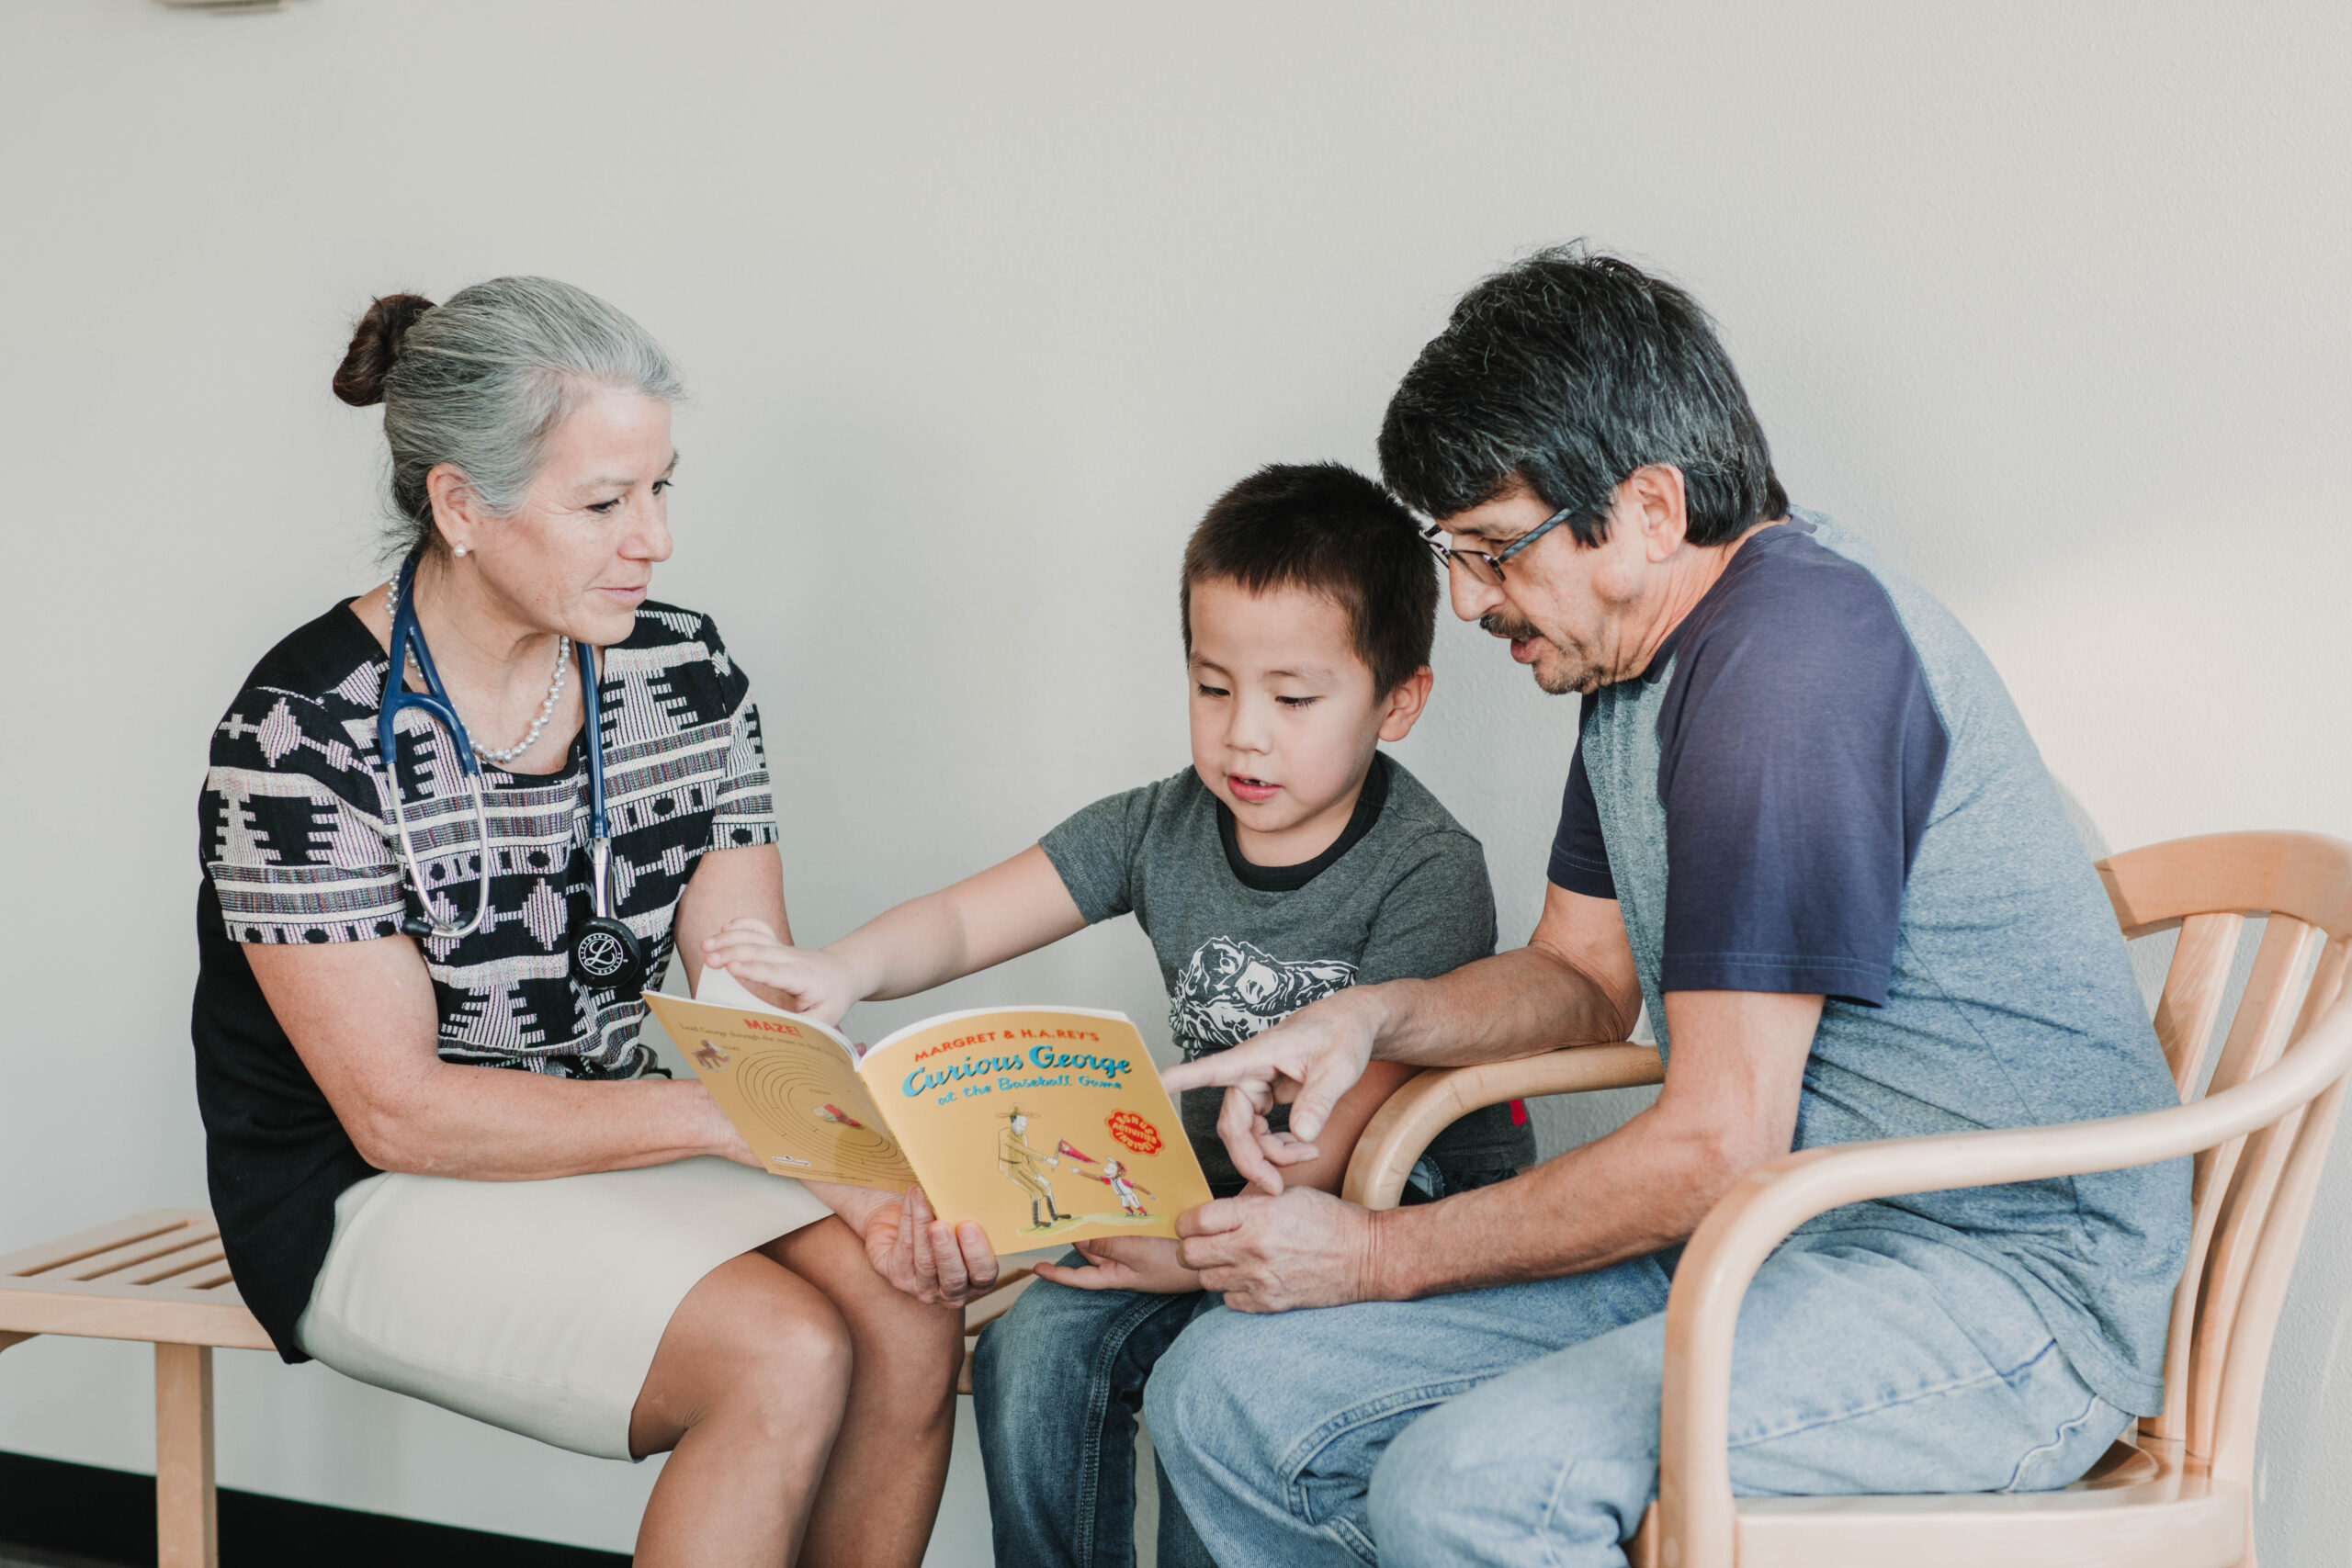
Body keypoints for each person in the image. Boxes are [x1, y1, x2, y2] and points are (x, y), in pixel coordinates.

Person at [1146, 248, 2193, 1568]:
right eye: (1451, 551)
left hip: (1996, 1286)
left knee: (1473, 1491)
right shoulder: (1636, 668)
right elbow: (1580, 975)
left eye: (1493, 550)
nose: (1468, 600)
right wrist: (1370, 1015)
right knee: (1227, 1394)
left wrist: (1368, 1249)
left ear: (1648, 506)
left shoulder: (1790, 671)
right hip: (1780, 1242)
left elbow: (1715, 1145)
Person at [193, 278, 995, 1568]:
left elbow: (741, 998)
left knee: (905, 1304)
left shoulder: (683, 674)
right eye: (605, 503)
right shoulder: (300, 732)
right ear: (461, 504)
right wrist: (724, 1125)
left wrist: (865, 1180)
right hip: (364, 1189)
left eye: (664, 488)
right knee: (781, 1350)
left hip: (607, 1144)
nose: (655, 540)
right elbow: (398, 1111)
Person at [702, 462, 1536, 1568]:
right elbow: (964, 918)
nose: (1244, 736)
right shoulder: (1163, 824)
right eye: (1210, 687)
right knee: (1032, 1353)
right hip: (1194, 1197)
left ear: (1398, 701)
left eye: (1293, 699)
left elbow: (1341, 1142)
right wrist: (843, 970)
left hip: (1368, 1205)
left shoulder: (1428, 870)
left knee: (1224, 1388)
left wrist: (1182, 1257)